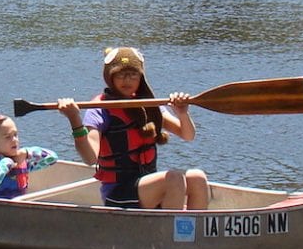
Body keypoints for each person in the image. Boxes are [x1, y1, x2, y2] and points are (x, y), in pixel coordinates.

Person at [57, 46, 209, 209]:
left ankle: (192, 231)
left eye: (133, 74)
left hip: (147, 184)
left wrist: (182, 113)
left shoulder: (148, 105)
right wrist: (74, 119)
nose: (127, 80)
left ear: (141, 77)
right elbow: (90, 158)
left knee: (197, 178)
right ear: (110, 77)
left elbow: (188, 135)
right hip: (118, 193)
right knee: (174, 179)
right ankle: (173, 232)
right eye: (121, 74)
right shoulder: (100, 108)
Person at [0, 114, 58, 198]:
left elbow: (52, 158)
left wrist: (27, 153)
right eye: (8, 137)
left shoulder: (19, 160)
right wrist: (5, 164)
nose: (14, 140)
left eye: (15, 135)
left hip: (17, 210)